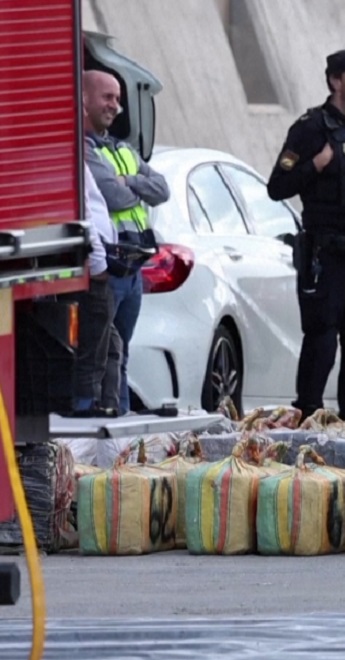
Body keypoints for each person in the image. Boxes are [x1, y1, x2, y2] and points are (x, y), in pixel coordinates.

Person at [267, 49, 345, 424]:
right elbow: (278, 186)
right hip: (328, 252)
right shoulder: (311, 128)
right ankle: (308, 416)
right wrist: (316, 164)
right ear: (336, 80)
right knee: (322, 340)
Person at [83, 70, 170, 415]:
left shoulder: (123, 150)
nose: (115, 106)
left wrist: (128, 180)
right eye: (107, 97)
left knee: (120, 353)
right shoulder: (83, 150)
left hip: (134, 268)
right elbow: (114, 198)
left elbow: (162, 189)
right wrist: (134, 189)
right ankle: (104, 422)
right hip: (110, 264)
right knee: (102, 352)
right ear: (84, 99)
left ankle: (118, 424)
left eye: (118, 99)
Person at [71, 163, 122, 414]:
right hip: (91, 270)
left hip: (92, 268)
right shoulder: (73, 153)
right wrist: (98, 262)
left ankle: (105, 410)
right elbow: (83, 213)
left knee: (111, 346)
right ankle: (85, 411)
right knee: (92, 356)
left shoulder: (79, 154)